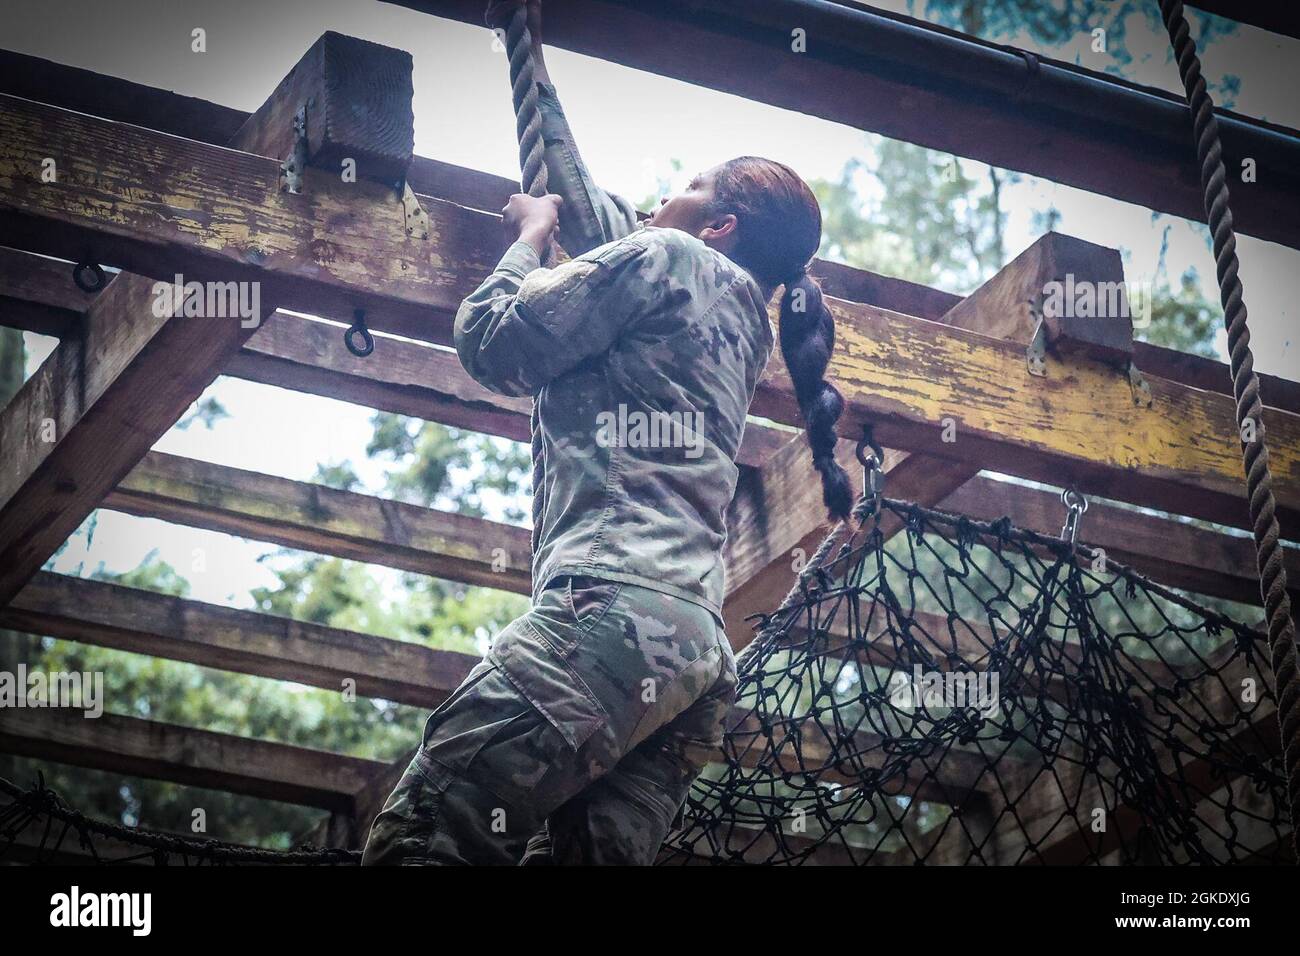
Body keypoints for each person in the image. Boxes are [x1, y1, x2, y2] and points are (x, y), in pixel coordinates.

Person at [361, 0, 850, 865]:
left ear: (720, 224)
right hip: (692, 654)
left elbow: (492, 345)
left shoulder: (667, 260)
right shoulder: (741, 323)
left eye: (685, 187)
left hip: (612, 616)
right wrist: (527, 45)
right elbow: (597, 208)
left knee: (425, 835)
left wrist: (528, 242)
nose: (663, 196)